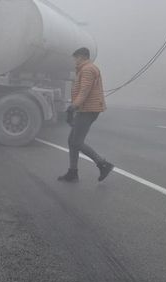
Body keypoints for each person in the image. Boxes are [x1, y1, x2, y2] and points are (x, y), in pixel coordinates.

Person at [59, 47, 114, 183]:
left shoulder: (88, 69)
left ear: (82, 57)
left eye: (76, 58)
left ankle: (103, 164)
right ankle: (73, 172)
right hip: (85, 108)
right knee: (72, 141)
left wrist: (74, 106)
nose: (75, 61)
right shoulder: (84, 69)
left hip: (88, 109)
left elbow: (84, 91)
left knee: (76, 142)